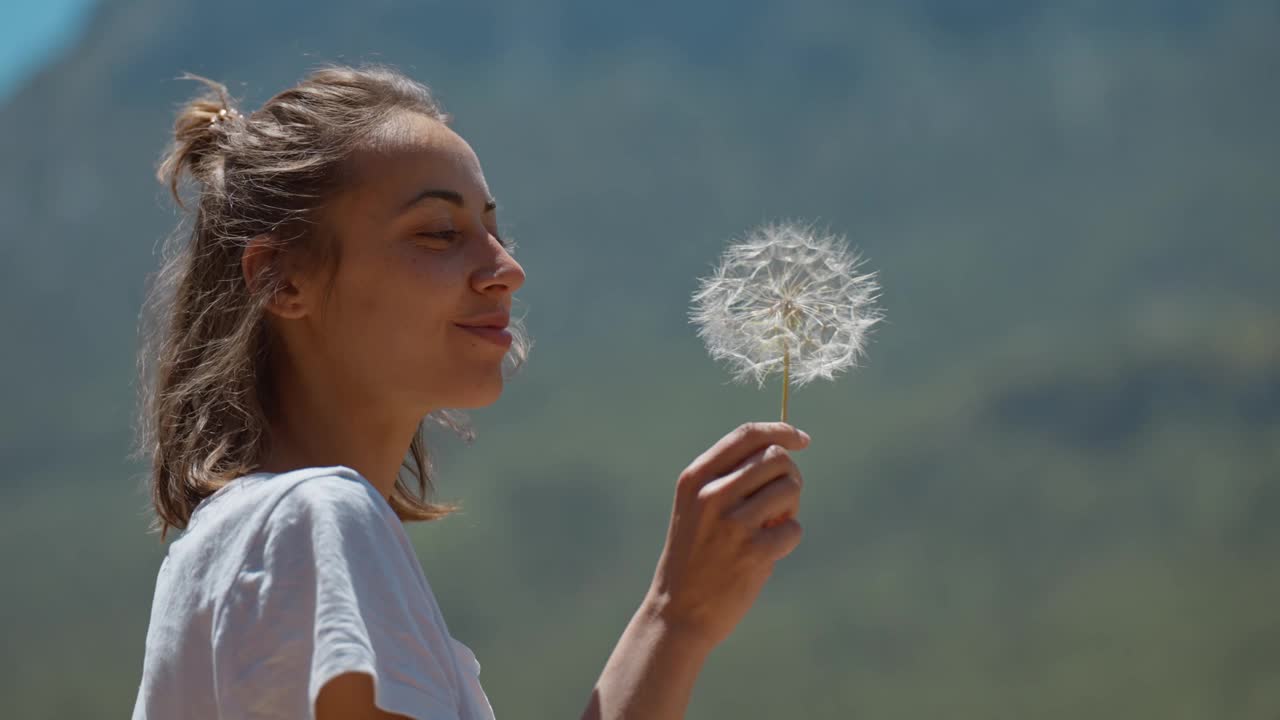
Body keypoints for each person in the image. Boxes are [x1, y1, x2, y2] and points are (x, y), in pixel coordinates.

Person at [131, 64, 808, 720]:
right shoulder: (317, 520)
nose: (506, 270)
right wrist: (673, 616)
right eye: (440, 233)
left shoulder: (221, 550)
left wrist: (677, 618)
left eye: (493, 229)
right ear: (281, 280)